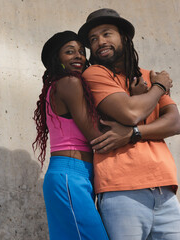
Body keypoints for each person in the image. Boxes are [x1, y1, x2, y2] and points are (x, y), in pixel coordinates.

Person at [78, 8, 180, 239]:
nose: (100, 42)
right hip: (121, 189)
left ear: (124, 37)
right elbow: (129, 113)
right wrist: (159, 88)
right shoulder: (95, 74)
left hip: (164, 188)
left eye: (106, 34)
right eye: (93, 39)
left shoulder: (147, 75)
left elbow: (175, 122)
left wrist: (133, 133)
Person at [33, 30, 143, 240]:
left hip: (78, 175)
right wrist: (135, 103)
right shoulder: (69, 83)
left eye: (81, 52)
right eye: (69, 52)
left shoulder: (60, 85)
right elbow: (95, 135)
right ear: (57, 59)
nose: (78, 56)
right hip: (69, 175)